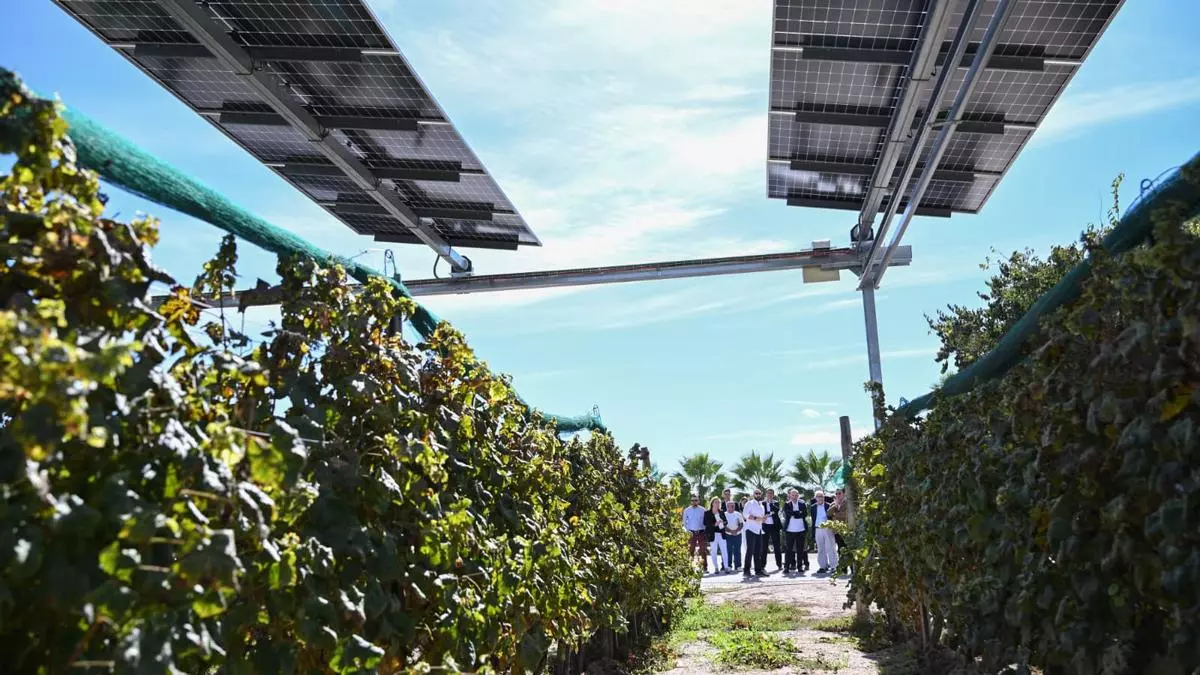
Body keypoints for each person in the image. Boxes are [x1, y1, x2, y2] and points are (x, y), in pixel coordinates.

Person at [781, 488, 809, 574]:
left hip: (801, 530)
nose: (794, 496)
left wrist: (796, 513)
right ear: (789, 495)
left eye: (796, 495)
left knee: (800, 550)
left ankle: (800, 566)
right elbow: (789, 513)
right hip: (790, 530)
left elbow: (805, 514)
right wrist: (798, 513)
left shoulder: (802, 503)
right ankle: (786, 567)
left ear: (798, 496)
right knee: (789, 550)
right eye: (792, 495)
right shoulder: (787, 504)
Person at [810, 490, 838, 574]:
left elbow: (833, 517)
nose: (820, 498)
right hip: (817, 529)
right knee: (821, 549)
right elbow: (813, 519)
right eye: (818, 496)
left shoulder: (829, 506)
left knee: (831, 547)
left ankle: (833, 566)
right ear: (815, 498)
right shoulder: (813, 507)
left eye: (821, 496)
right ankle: (823, 566)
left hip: (828, 528)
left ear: (824, 497)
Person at [742, 489, 768, 577]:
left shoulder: (762, 505)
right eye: (756, 493)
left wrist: (763, 519)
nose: (758, 495)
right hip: (750, 529)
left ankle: (758, 570)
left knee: (758, 551)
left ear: (761, 495)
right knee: (750, 550)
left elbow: (761, 518)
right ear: (753, 494)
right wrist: (756, 518)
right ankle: (746, 570)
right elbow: (745, 514)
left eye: (759, 493)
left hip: (759, 530)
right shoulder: (749, 503)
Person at [682, 494, 708, 571]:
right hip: (691, 533)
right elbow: (684, 522)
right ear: (691, 501)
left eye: (696, 500)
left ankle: (704, 567)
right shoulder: (687, 510)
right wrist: (687, 531)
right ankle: (689, 567)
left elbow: (706, 522)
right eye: (692, 500)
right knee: (691, 550)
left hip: (701, 533)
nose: (694, 502)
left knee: (703, 550)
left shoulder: (703, 510)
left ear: (698, 501)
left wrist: (705, 531)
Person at [704, 497, 728, 574]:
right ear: (712, 503)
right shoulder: (707, 513)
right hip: (712, 535)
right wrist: (714, 524)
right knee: (713, 552)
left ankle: (726, 567)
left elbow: (726, 522)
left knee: (724, 551)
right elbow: (705, 523)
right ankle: (716, 567)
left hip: (721, 534)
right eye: (715, 502)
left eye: (718, 502)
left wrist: (722, 522)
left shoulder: (721, 512)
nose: (717, 504)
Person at [762, 488, 782, 571]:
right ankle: (762, 565)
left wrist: (770, 504)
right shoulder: (762, 503)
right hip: (765, 526)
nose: (769, 495)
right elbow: (762, 513)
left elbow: (776, 510)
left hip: (774, 527)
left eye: (771, 493)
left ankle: (779, 564)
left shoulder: (776, 503)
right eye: (768, 493)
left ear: (773, 495)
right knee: (763, 547)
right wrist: (770, 513)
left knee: (777, 546)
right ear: (766, 494)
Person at [723, 500, 744, 571]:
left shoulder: (738, 514)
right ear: (727, 507)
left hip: (738, 535)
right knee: (728, 551)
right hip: (728, 535)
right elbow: (723, 525)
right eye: (730, 506)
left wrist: (736, 531)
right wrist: (731, 531)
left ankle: (738, 566)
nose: (732, 507)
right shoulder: (724, 514)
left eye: (733, 506)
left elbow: (741, 524)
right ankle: (729, 566)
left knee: (737, 551)